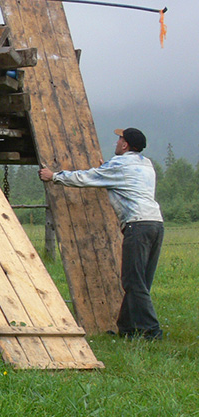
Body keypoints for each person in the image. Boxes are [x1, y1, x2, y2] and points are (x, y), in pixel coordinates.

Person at [39, 127, 164, 340]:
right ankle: (127, 329)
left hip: (137, 225)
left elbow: (86, 178)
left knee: (133, 282)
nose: (117, 142)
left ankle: (152, 331)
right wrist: (106, 169)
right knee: (141, 280)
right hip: (156, 224)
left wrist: (54, 176)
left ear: (125, 144)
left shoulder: (119, 165)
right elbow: (122, 180)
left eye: (119, 139)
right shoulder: (146, 164)